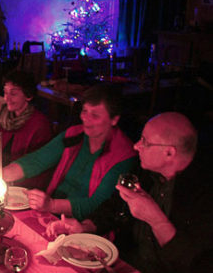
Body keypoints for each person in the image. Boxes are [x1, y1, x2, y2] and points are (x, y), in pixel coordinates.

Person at [45, 112, 212, 273]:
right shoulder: (145, 172)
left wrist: (156, 220)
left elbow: (194, 262)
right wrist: (85, 226)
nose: (136, 146)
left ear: (169, 153)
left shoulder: (203, 196)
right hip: (126, 263)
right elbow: (114, 207)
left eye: (145, 142)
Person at [0, 85, 137, 220]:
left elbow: (98, 205)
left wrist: (52, 205)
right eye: (84, 111)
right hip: (51, 213)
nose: (86, 119)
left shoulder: (123, 154)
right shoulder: (75, 134)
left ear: (114, 119)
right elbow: (37, 160)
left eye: (95, 115)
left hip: (86, 226)